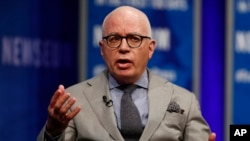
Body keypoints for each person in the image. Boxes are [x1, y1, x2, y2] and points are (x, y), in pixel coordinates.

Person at [37, 6, 216, 141]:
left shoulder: (184, 100)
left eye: (134, 39)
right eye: (114, 39)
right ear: (102, 48)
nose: (123, 48)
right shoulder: (74, 99)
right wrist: (53, 131)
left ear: (150, 48)